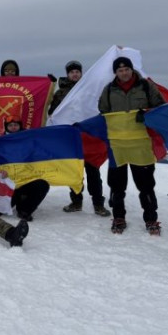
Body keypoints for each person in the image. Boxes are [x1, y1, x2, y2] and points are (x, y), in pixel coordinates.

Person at [98, 57, 166, 235]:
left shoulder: (145, 86)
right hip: (118, 144)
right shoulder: (109, 89)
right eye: (120, 70)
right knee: (117, 185)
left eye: (126, 69)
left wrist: (147, 113)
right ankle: (118, 217)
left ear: (131, 69)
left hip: (141, 143)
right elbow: (103, 111)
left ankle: (151, 219)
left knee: (146, 185)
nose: (124, 73)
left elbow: (160, 107)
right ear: (116, 73)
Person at [49, 60, 110, 217]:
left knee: (93, 171)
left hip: (89, 137)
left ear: (81, 74)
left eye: (77, 71)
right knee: (74, 172)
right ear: (68, 74)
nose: (75, 74)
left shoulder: (89, 89)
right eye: (72, 72)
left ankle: (98, 204)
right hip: (71, 137)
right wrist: (49, 87)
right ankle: (76, 202)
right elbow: (52, 112)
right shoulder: (60, 93)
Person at [2, 117, 51, 222]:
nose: (13, 127)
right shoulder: (0, 142)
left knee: (42, 185)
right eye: (10, 125)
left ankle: (25, 210)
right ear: (6, 127)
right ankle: (14, 200)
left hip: (26, 181)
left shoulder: (29, 140)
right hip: (8, 184)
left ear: (20, 125)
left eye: (16, 125)